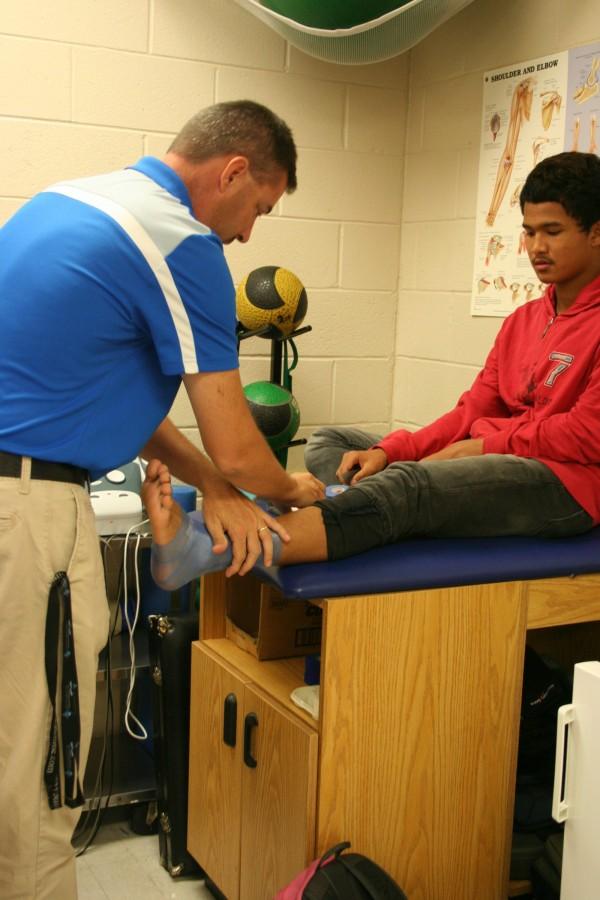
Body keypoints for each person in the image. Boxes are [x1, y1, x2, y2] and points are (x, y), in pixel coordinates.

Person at [0, 100, 323, 900]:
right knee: (38, 774)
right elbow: (244, 445)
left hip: (20, 483)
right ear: (235, 171)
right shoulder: (180, 242)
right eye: (260, 208)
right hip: (29, 512)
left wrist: (214, 485)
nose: (248, 235)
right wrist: (292, 488)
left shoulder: (65, 202)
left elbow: (103, 396)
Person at [141, 150, 600, 586]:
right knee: (335, 444)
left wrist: (476, 449)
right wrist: (394, 450)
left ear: (596, 232)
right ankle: (356, 506)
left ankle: (204, 546)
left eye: (552, 231)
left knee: (409, 484)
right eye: (529, 231)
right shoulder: (524, 319)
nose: (535, 247)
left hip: (563, 485)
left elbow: (585, 435)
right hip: (493, 458)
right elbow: (471, 410)